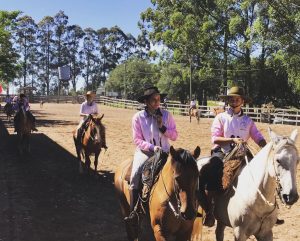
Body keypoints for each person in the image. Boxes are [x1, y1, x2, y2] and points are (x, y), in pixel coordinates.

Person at [198, 86, 268, 227]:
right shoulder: (221, 117)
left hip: (242, 153)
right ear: (228, 101)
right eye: (232, 99)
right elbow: (215, 139)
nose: (234, 101)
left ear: (242, 101)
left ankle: (269, 211)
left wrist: (266, 146)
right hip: (222, 152)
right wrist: (232, 140)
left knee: (262, 174)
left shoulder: (248, 121)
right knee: (212, 170)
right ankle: (210, 211)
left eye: (237, 99)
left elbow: (257, 136)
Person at [124, 86, 178, 230]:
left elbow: (174, 136)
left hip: (166, 152)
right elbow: (137, 140)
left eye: (158, 99)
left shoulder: (167, 115)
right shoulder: (138, 117)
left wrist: (163, 127)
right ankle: (133, 213)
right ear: (146, 101)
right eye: (153, 100)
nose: (157, 102)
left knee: (181, 173)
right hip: (146, 152)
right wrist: (152, 148)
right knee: (135, 176)